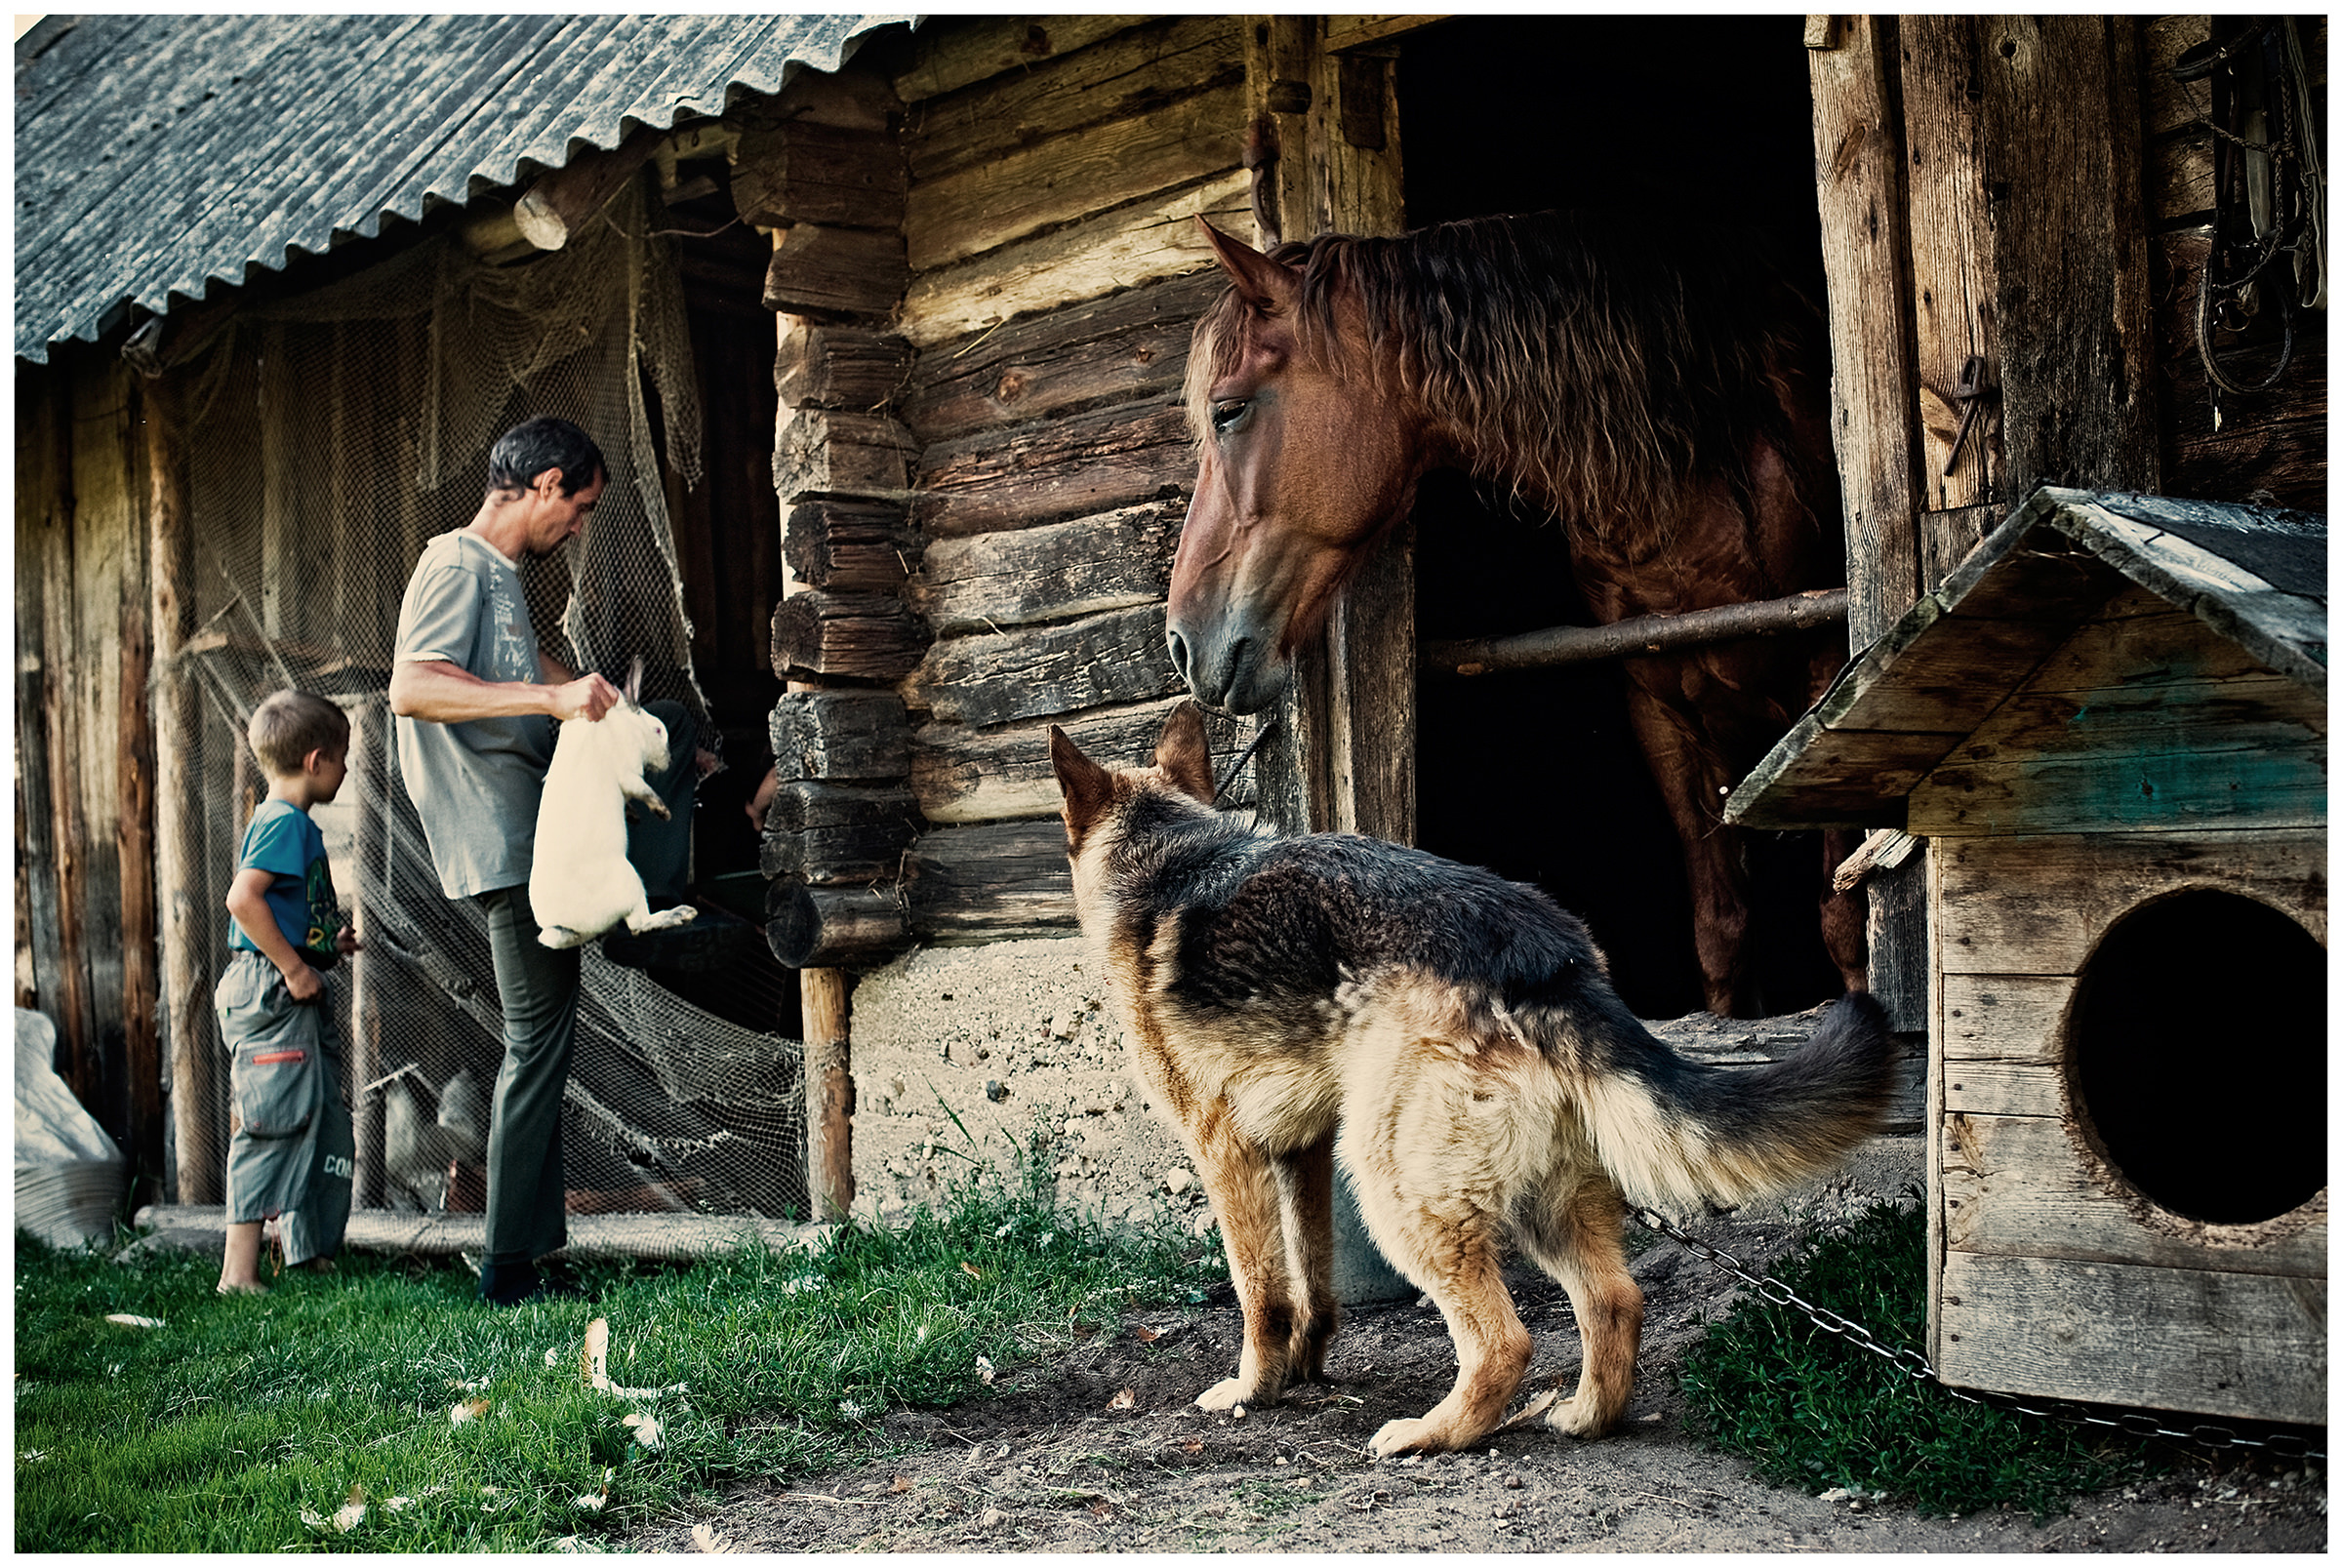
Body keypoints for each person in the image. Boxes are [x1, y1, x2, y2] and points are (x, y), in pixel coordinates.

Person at [388, 415, 706, 1307]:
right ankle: (507, 1269)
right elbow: (413, 685)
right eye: (582, 506)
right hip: (504, 842)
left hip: (530, 832)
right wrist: (549, 693)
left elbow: (518, 667)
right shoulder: (454, 561)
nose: (581, 526)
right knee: (535, 1045)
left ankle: (532, 1255)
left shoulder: (498, 578)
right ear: (548, 483)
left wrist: (583, 690)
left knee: (548, 1042)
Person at [217, 690, 362, 1295]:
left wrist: (328, 944)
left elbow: (282, 907)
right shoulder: (283, 823)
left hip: (290, 985)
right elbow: (242, 899)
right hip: (273, 989)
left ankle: (310, 1254)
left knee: (320, 1115)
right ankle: (238, 1274)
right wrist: (294, 969)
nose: (347, 770)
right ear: (315, 761)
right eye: (343, 758)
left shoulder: (289, 824)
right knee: (272, 1121)